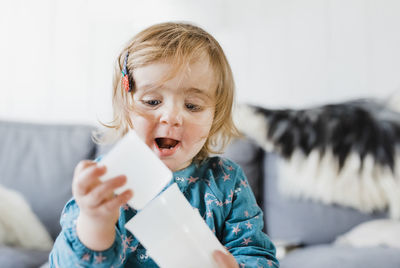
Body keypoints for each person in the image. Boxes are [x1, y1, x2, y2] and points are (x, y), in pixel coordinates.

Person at [49, 22, 279, 268]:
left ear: (215, 115)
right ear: (127, 107)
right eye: (152, 101)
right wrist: (95, 224)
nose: (171, 116)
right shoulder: (107, 183)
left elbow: (257, 255)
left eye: (192, 106)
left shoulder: (227, 181)